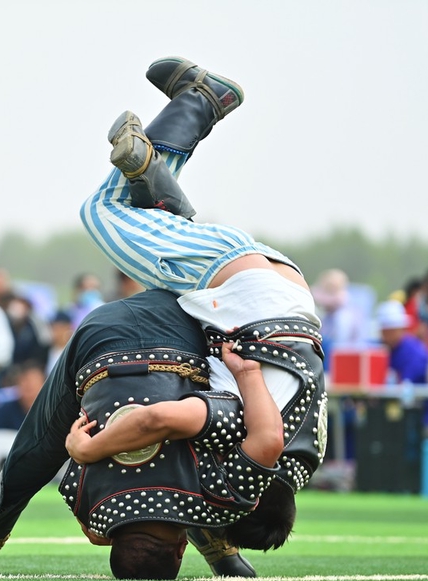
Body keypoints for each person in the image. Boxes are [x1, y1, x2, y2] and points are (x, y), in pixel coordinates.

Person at [77, 56, 327, 498]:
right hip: (240, 287)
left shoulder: (304, 460)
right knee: (104, 211)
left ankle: (157, 177)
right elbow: (161, 419)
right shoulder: (252, 443)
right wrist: (87, 451)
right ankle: (203, 99)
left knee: (159, 224)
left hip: (286, 287)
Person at [0, 289, 295, 578]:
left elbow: (169, 424)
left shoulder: (223, 497)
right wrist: (84, 453)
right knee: (38, 450)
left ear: (180, 550)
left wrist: (247, 376)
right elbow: (150, 430)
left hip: (172, 325)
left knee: (35, 454)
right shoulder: (90, 512)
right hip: (109, 333)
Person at [62, 342, 287, 579]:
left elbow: (270, 439)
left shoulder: (222, 505)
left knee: (282, 453)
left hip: (200, 344)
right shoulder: (84, 507)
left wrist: (247, 371)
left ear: (181, 549)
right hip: (97, 350)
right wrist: (103, 523)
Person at [376, 300, 428, 384]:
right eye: (383, 331)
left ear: (401, 329)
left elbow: (406, 383)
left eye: (390, 330)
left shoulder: (414, 352)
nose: (385, 335)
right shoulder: (381, 349)